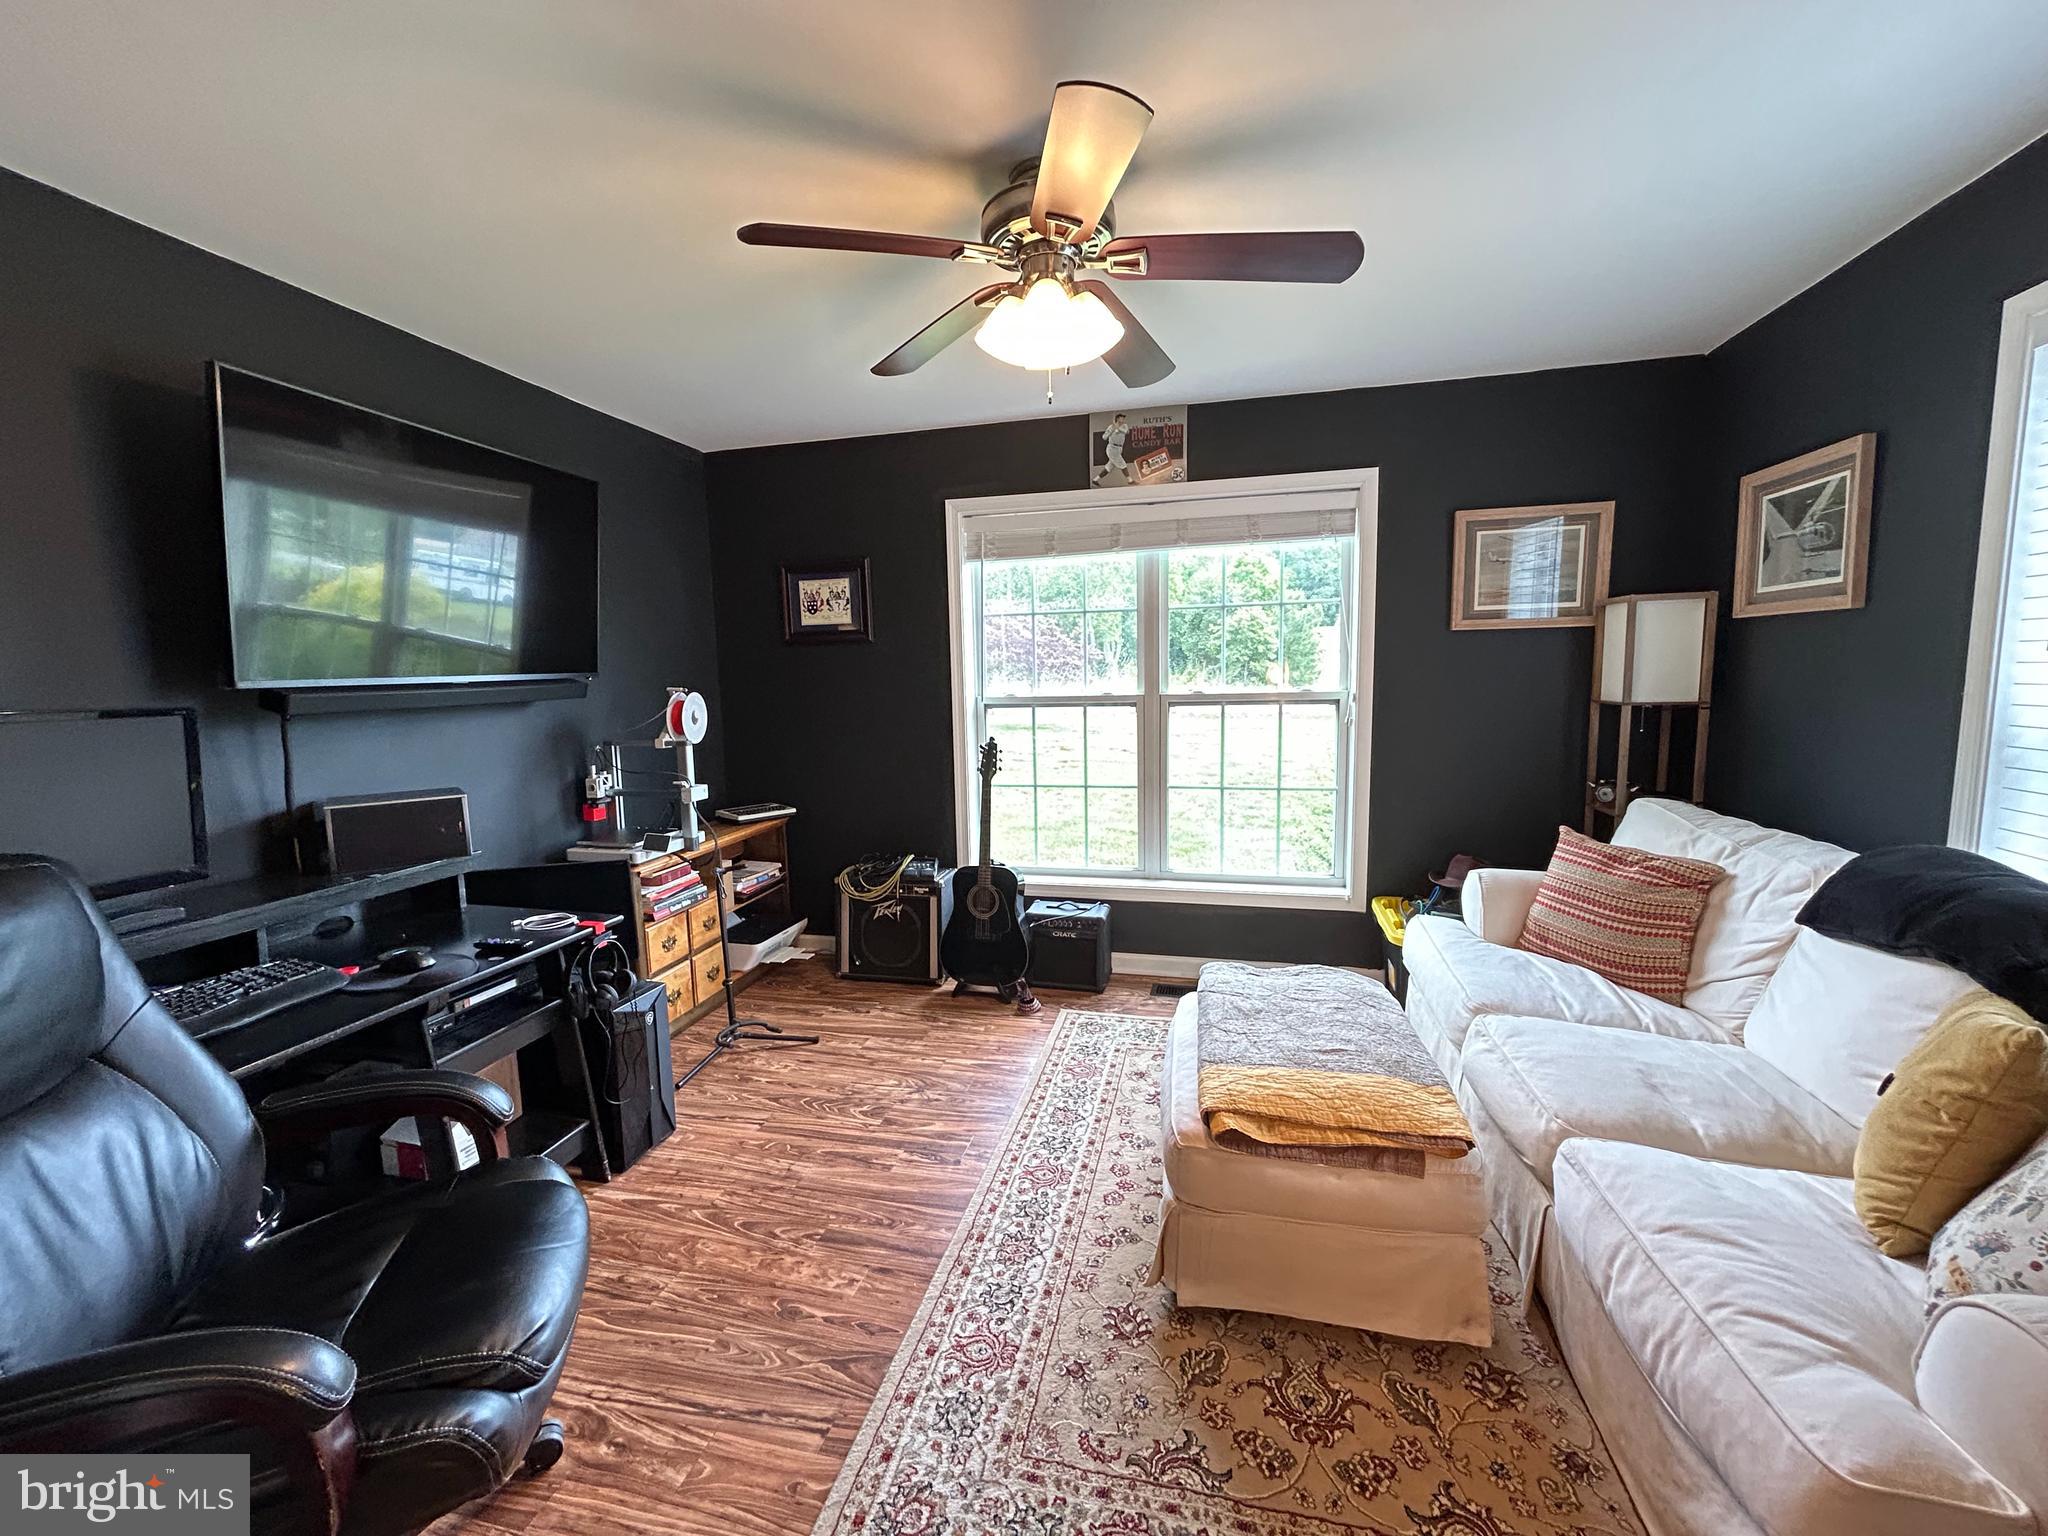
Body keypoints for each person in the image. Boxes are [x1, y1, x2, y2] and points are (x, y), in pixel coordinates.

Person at [1093, 413, 1130, 485]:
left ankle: (1095, 480)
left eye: (1123, 418)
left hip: (1119, 448)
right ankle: (1130, 480)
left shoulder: (1125, 426)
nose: (1123, 419)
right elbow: (1104, 437)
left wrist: (1117, 428)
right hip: (1112, 448)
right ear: (1117, 418)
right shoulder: (1111, 427)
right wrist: (1111, 430)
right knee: (1123, 464)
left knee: (1109, 467)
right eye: (1121, 418)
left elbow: (1126, 432)